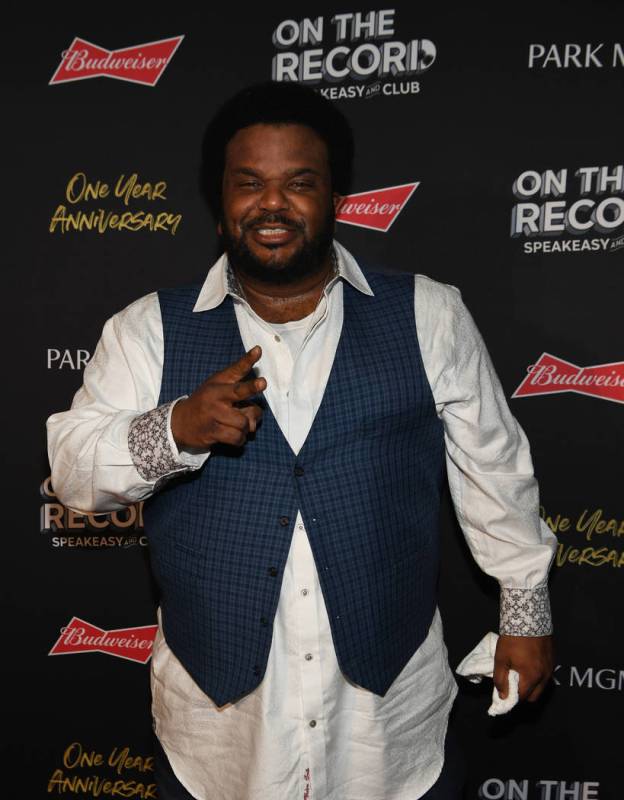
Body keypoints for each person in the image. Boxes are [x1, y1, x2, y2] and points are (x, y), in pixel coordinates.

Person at [47, 81, 557, 800]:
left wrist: (526, 615)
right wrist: (176, 428)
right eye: (249, 183)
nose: (273, 204)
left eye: (299, 183)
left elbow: (495, 471)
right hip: (221, 741)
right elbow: (72, 473)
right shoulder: (146, 330)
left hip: (386, 733)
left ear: (336, 198)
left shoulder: (430, 314)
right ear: (220, 200)